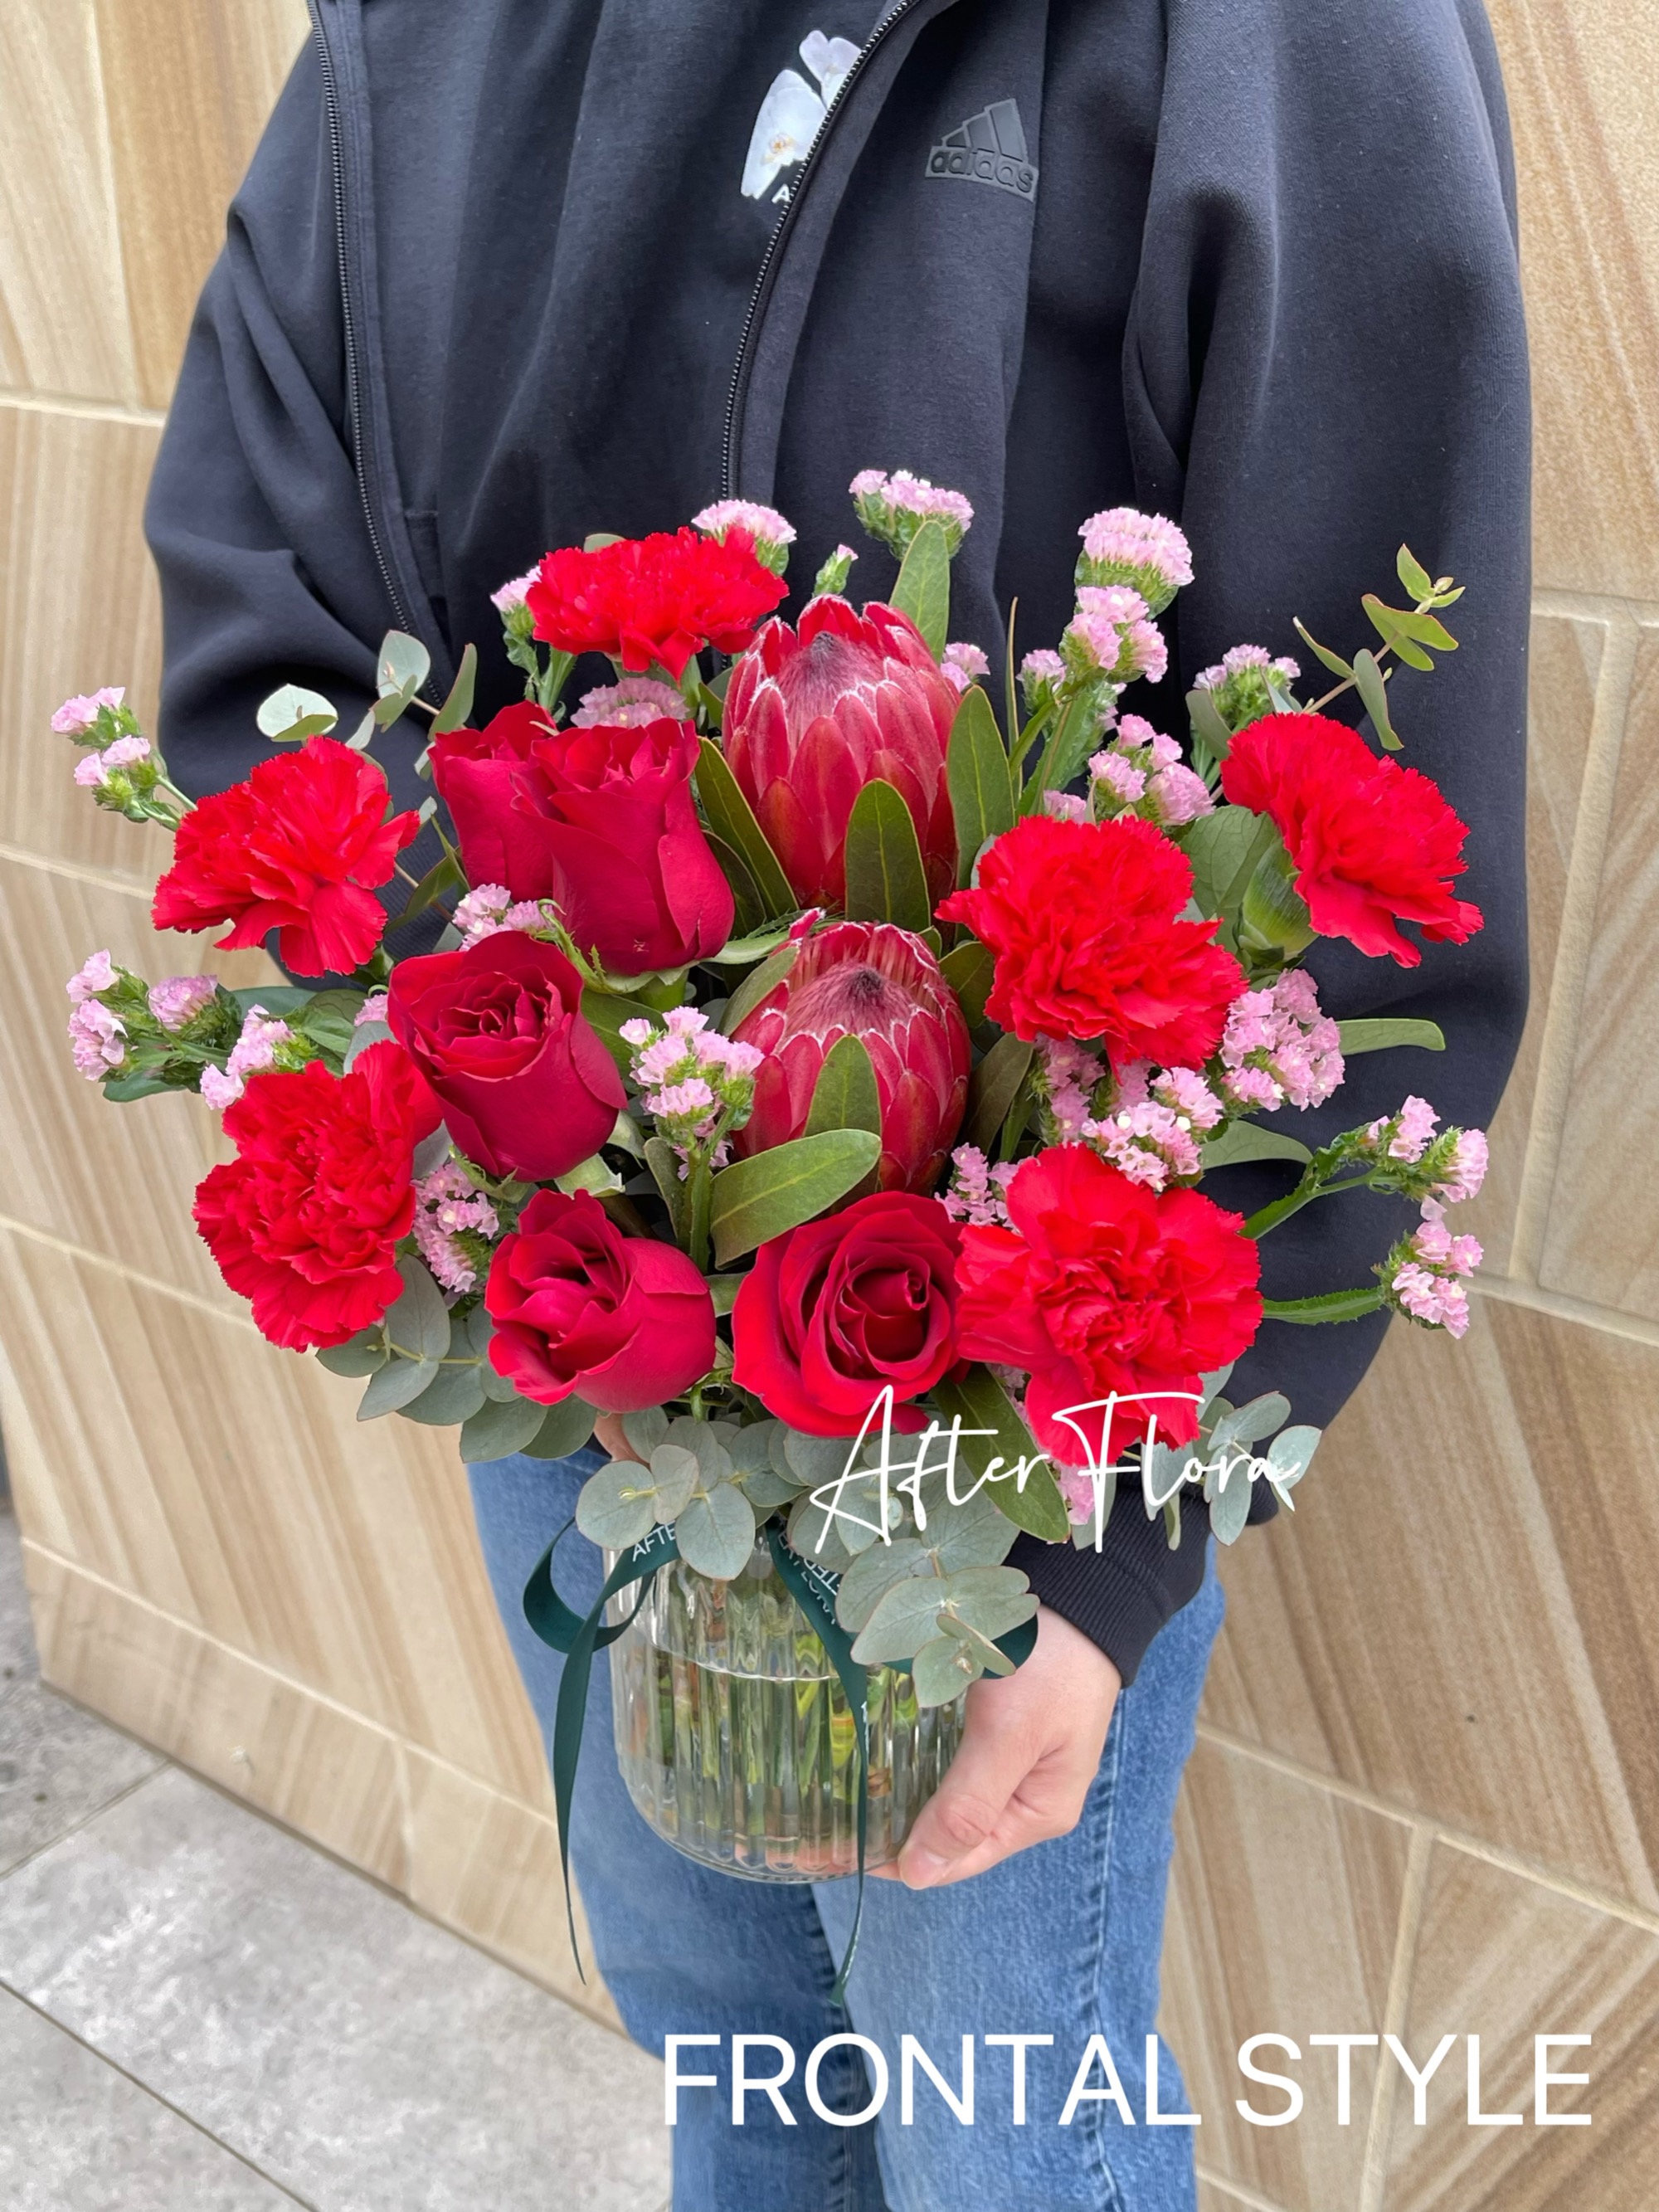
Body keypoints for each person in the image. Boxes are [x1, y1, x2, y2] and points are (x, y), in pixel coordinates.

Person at [144, 3, 1530, 2205]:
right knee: (727, 2034)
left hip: (989, 1417)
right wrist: (563, 1145)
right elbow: (259, 629)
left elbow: (1378, 801)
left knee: (996, 2115)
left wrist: (1113, 1536)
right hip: (574, 1329)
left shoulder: (1271, 40)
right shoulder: (405, 46)